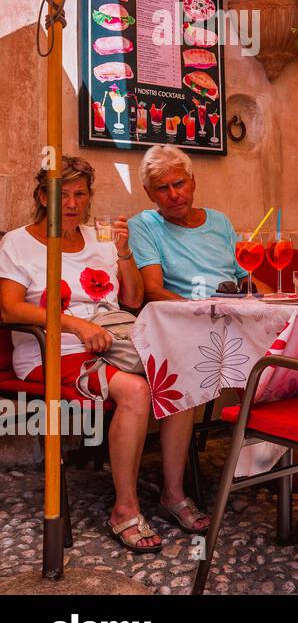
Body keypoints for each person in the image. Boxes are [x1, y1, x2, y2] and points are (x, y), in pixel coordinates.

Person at [0, 157, 208, 551]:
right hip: (51, 353)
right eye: (64, 194)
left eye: (81, 194)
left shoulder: (99, 241)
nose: (73, 203)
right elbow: (8, 308)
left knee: (180, 379)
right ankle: (125, 510)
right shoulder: (18, 243)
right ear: (44, 196)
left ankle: (173, 495)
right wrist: (74, 324)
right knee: (135, 391)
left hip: (112, 344)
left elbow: (131, 299)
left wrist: (124, 252)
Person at [128, 145, 244, 301]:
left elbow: (246, 278)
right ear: (149, 193)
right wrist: (199, 312)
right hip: (187, 318)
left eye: (179, 184)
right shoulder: (143, 225)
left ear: (193, 182)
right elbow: (153, 291)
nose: (173, 195)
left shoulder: (220, 220)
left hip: (236, 313)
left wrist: (281, 304)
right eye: (162, 188)